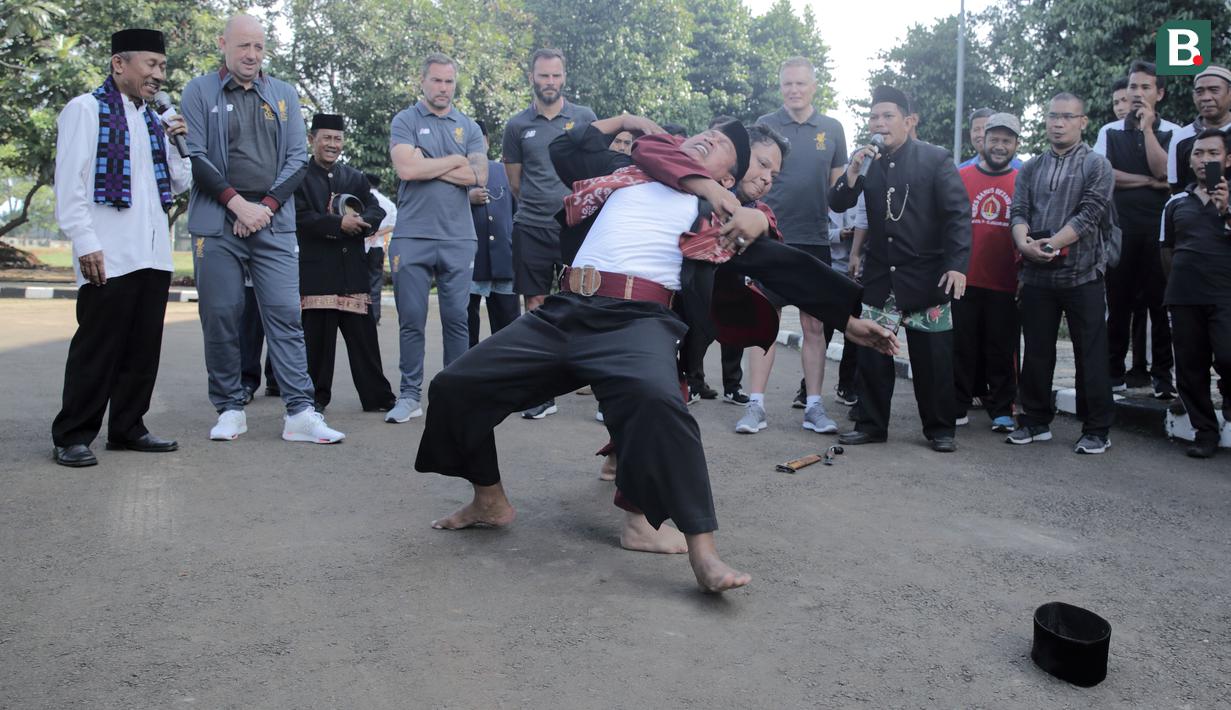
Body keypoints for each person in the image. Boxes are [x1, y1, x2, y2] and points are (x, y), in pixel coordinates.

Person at [415, 116, 898, 592]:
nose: (708, 139)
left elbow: (783, 265)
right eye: (705, 135)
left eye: (722, 147)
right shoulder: (628, 175)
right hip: (563, 311)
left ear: (729, 177)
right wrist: (632, 123)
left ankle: (703, 552)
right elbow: (636, 146)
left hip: (636, 323)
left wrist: (848, 320)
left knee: (662, 405)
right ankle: (489, 499)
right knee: (455, 386)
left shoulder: (717, 220)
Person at [183, 14, 344, 444]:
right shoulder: (199, 91)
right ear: (223, 44)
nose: (252, 55)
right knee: (220, 315)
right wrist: (237, 204)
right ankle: (230, 407)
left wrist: (265, 207)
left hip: (272, 223)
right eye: (243, 47)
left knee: (287, 316)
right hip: (217, 220)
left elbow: (296, 160)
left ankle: (299, 412)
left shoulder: (284, 94)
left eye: (258, 47)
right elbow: (195, 156)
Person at [50, 28, 192, 467]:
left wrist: (177, 146)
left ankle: (128, 428)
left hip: (152, 254)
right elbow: (69, 184)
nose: (159, 75)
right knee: (98, 347)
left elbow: (181, 184)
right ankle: (72, 435)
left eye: (163, 67)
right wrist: (85, 242)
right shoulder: (86, 110)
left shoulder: (154, 120)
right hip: (107, 253)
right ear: (119, 64)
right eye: (151, 64)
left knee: (142, 349)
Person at [830, 85, 971, 453]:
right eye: (874, 116)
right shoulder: (868, 161)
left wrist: (957, 265)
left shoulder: (935, 159)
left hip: (927, 276)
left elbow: (958, 215)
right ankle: (870, 424)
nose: (879, 123)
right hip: (881, 275)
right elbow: (839, 200)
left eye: (888, 116)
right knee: (873, 353)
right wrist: (853, 169)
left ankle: (941, 429)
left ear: (909, 121)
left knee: (934, 359)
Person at [1007, 92, 1115, 454]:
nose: (1058, 123)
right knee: (1037, 350)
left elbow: (1090, 214)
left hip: (1083, 275)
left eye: (1067, 117)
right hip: (1037, 277)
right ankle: (1035, 421)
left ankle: (1097, 429)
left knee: (1091, 354)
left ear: (1082, 122)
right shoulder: (1031, 167)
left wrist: (1050, 244)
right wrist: (1024, 245)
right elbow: (1018, 210)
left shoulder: (1097, 165)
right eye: (1053, 116)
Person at [385, 53, 488, 424]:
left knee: (456, 320)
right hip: (412, 235)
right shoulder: (405, 120)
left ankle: (453, 396)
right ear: (423, 82)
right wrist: (454, 161)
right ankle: (409, 396)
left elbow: (479, 177)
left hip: (459, 238)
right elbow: (407, 168)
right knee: (411, 319)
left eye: (448, 82)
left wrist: (430, 161)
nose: (443, 88)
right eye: (436, 81)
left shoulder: (470, 127)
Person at [753, 56, 848, 432]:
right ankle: (755, 405)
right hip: (770, 238)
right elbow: (750, 177)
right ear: (780, 87)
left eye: (800, 84)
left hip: (815, 240)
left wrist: (854, 175)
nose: (793, 90)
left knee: (815, 329)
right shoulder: (764, 126)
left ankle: (814, 406)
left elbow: (840, 192)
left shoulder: (832, 128)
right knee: (763, 325)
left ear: (814, 86)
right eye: (787, 84)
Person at [501, 48, 597, 419]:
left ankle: (596, 381)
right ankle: (542, 393)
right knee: (535, 307)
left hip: (577, 227)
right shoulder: (516, 126)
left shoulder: (585, 118)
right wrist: (542, 203)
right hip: (532, 226)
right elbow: (515, 183)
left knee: (586, 303)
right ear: (532, 78)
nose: (550, 82)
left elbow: (597, 168)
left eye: (556, 75)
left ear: (564, 77)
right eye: (543, 76)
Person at [293, 113, 396, 413]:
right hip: (318, 272)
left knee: (364, 341)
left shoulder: (354, 177)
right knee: (318, 345)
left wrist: (363, 221)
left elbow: (376, 208)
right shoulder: (299, 177)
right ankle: (314, 399)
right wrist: (338, 224)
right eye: (326, 137)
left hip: (353, 272)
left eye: (337, 139)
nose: (332, 144)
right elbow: (300, 217)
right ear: (312, 139)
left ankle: (378, 396)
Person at [1093, 60, 1179, 399]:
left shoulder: (1173, 131)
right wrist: (1147, 180)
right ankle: (1114, 373)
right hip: (1120, 231)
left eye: (1145, 88)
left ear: (1159, 93)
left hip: (1159, 234)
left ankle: (1162, 377)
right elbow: (1105, 175)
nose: (1138, 94)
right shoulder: (1109, 132)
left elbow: (1167, 174)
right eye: (1133, 87)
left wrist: (1147, 130)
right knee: (1118, 305)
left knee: (1161, 307)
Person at [1160, 129, 1231, 458]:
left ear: (1227, 159)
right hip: (1184, 294)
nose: (1205, 160)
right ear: (1189, 161)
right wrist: (1174, 287)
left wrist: (1226, 209)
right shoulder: (1175, 202)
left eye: (1212, 153)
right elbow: (1167, 249)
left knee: (1228, 355)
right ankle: (1206, 432)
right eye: (1199, 154)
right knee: (1190, 367)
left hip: (1225, 293)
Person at [955, 113, 1022, 433]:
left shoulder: (1024, 179)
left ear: (1016, 145)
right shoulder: (961, 175)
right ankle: (956, 404)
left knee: (1001, 348)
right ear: (983, 140)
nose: (999, 146)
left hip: (1006, 280)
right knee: (961, 345)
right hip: (963, 278)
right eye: (994, 139)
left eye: (1006, 141)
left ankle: (1002, 409)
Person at [467, 121, 520, 347]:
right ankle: (465, 372)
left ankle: (506, 373)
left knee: (508, 326)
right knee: (466, 324)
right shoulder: (454, 176)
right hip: (469, 262)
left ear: (487, 142)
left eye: (480, 141)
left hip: (503, 260)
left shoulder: (504, 172)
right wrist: (466, 199)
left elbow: (517, 214)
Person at [1168, 66, 1231, 194]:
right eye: (1199, 91)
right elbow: (1176, 187)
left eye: (1214, 90)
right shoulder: (1181, 137)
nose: (1206, 97)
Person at [365, 172, 396, 325]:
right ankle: (375, 316)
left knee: (357, 280)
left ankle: (359, 314)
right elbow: (393, 225)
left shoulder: (361, 199)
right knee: (375, 281)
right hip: (377, 245)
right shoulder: (388, 202)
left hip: (361, 244)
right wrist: (378, 233)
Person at [959, 108, 1023, 170]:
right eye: (976, 129)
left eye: (985, 129)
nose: (981, 134)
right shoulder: (960, 172)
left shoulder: (1023, 171)